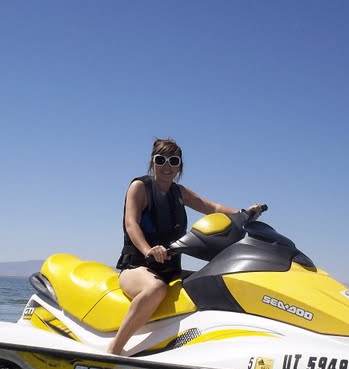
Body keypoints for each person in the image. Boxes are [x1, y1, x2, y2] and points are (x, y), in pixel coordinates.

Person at [107, 138, 263, 355]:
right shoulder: (139, 187)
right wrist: (148, 250)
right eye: (161, 160)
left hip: (170, 270)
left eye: (173, 161)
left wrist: (243, 214)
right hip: (137, 267)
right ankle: (114, 350)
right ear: (152, 163)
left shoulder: (179, 192)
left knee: (217, 281)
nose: (167, 166)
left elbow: (211, 207)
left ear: (180, 166)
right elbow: (131, 223)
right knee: (156, 289)